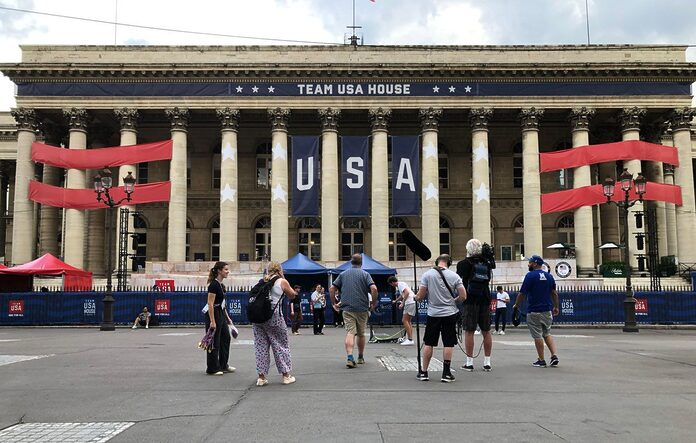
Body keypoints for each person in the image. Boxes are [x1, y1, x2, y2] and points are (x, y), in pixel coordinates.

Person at [414, 254, 467, 382]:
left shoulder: (427, 275)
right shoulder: (454, 276)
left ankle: (424, 372)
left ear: (438, 261)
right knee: (448, 342)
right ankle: (446, 373)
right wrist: (454, 301)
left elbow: (420, 295)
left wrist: (415, 298)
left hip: (433, 314)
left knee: (429, 343)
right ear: (449, 263)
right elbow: (463, 296)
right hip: (449, 313)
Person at [253, 261, 297, 386]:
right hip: (274, 316)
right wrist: (284, 278)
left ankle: (261, 377)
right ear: (279, 270)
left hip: (258, 318)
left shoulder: (262, 281)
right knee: (280, 345)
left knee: (260, 347)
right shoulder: (281, 281)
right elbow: (292, 295)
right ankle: (286, 375)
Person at [330, 253, 377, 368]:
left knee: (350, 332)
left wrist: (333, 303)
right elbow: (374, 288)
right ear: (361, 263)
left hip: (347, 308)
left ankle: (350, 357)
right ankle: (360, 357)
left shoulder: (343, 274)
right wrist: (373, 303)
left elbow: (332, 288)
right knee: (361, 334)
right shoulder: (365, 274)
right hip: (362, 308)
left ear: (351, 262)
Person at [513, 255, 560, 368]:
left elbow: (522, 293)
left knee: (537, 335)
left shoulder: (530, 276)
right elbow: (554, 292)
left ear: (535, 263)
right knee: (547, 333)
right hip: (547, 310)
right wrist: (556, 306)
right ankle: (554, 356)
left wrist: (516, 305)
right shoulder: (549, 276)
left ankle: (541, 359)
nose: (528, 264)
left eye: (529, 262)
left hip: (534, 310)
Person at [456, 238, 496, 372]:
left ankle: (469, 362)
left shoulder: (463, 264)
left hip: (470, 299)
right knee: (486, 330)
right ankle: (487, 362)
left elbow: (458, 280)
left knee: (469, 330)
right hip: (485, 298)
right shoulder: (487, 263)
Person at [204, 261, 234, 375]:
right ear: (219, 271)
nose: (228, 272)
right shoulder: (214, 285)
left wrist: (228, 318)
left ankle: (223, 364)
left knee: (225, 338)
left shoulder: (221, 285)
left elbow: (222, 303)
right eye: (225, 269)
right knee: (213, 341)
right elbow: (210, 303)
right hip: (214, 313)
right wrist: (212, 321)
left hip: (220, 313)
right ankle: (212, 368)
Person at [388, 275, 415, 346]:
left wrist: (402, 303)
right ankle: (410, 338)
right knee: (408, 321)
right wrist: (396, 301)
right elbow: (402, 295)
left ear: (392, 282)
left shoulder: (400, 285)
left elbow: (407, 293)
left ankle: (410, 339)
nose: (392, 286)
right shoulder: (401, 284)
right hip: (412, 302)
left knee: (404, 320)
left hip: (409, 302)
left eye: (391, 284)